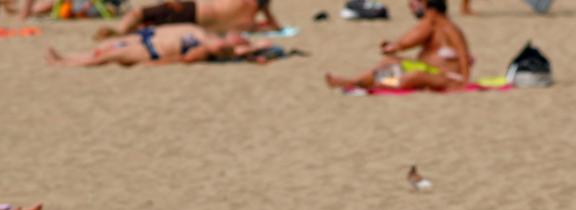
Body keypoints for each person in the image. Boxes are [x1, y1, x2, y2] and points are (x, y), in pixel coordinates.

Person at [325, 0, 471, 91]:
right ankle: (358, 81)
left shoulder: (435, 22)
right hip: (432, 71)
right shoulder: (442, 24)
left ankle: (365, 83)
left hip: (445, 76)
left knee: (412, 75)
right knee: (391, 63)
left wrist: (464, 80)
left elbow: (411, 39)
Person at [46, 24, 272, 67]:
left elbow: (189, 58)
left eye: (241, 38)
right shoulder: (206, 34)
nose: (238, 35)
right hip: (146, 38)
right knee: (105, 48)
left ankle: (65, 63)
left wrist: (252, 48)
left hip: (151, 50)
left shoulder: (218, 47)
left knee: (106, 56)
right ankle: (68, 57)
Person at [94, 0, 279, 40]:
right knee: (156, 27)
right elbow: (275, 26)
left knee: (138, 14)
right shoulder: (254, 11)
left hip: (193, 10)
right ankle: (127, 33)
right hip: (199, 26)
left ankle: (120, 31)